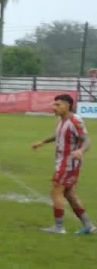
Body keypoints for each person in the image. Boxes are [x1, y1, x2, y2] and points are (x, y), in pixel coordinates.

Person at [32, 94, 93, 234]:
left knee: (56, 190)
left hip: (69, 163)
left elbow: (87, 140)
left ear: (68, 105)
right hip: (62, 162)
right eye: (54, 104)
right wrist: (42, 142)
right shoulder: (61, 120)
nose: (54, 107)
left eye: (58, 105)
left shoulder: (75, 120)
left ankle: (59, 227)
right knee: (69, 193)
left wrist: (81, 151)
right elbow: (57, 135)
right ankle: (88, 225)